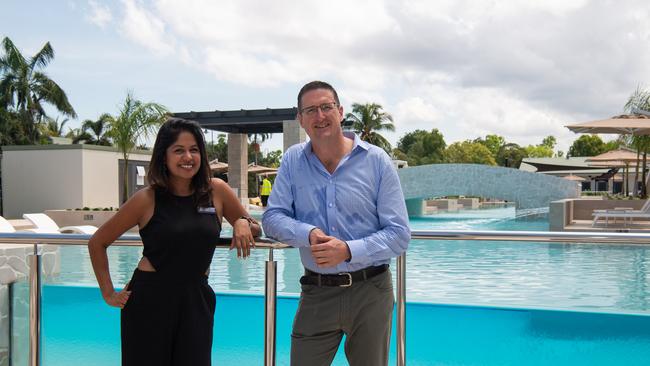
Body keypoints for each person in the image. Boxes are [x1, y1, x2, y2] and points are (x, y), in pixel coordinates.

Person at [88, 118, 260, 366]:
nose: (187, 157)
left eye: (194, 150)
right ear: (164, 156)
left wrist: (243, 222)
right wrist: (108, 293)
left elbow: (254, 226)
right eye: (178, 150)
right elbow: (98, 242)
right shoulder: (147, 199)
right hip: (150, 299)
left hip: (196, 296)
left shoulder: (217, 190)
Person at [262, 81, 410, 366]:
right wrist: (309, 233)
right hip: (316, 291)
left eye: (326, 107)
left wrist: (349, 250)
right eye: (311, 110)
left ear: (340, 111)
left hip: (371, 291)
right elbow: (272, 217)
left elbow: (400, 234)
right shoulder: (293, 160)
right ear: (301, 119)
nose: (320, 116)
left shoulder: (376, 160)